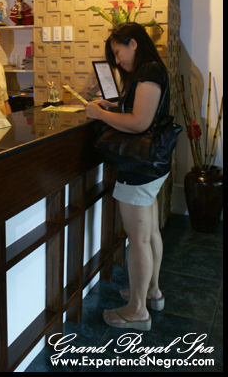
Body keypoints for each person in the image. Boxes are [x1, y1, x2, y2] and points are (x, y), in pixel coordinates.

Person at [86, 22, 169, 332]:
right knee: (149, 234)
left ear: (133, 44)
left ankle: (137, 311)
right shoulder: (151, 68)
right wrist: (115, 105)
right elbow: (138, 109)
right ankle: (152, 292)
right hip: (153, 165)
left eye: (118, 53)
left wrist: (100, 113)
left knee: (138, 239)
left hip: (139, 167)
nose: (117, 61)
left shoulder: (148, 71)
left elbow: (138, 122)